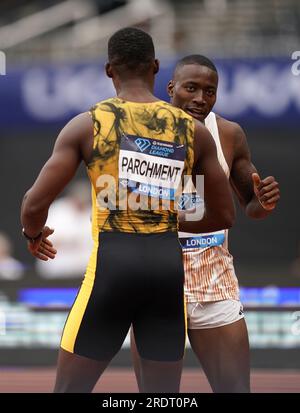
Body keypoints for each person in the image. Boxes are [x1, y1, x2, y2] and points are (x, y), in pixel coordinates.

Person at [20, 32, 234, 393]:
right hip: (168, 275)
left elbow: (33, 204)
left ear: (109, 70)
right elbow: (224, 214)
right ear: (155, 68)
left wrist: (33, 234)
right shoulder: (193, 131)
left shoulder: (89, 124)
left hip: (111, 271)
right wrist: (163, 218)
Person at [131, 55, 280, 393]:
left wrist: (264, 201)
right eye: (191, 88)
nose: (201, 98)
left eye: (209, 92)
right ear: (171, 88)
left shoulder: (228, 134)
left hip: (213, 275)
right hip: (156, 272)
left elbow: (251, 207)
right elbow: (133, 207)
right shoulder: (141, 130)